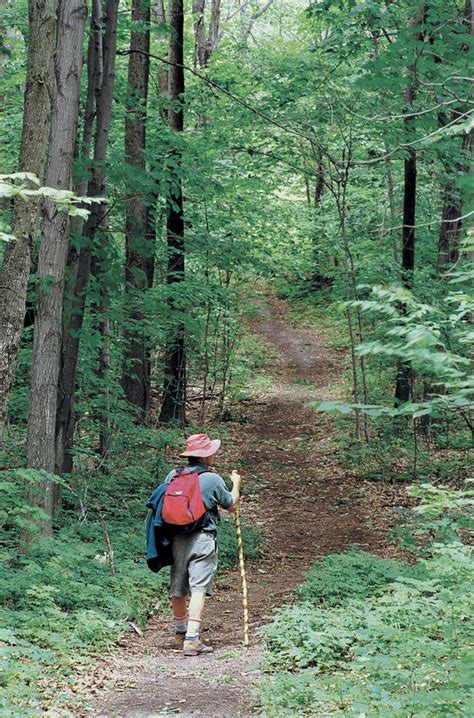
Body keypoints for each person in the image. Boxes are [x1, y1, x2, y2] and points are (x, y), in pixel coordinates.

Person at [165, 433, 241, 657]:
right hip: (203, 539)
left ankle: (180, 632)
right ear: (206, 456)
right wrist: (235, 484)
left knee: (178, 587)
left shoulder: (173, 474)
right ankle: (192, 639)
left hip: (176, 538)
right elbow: (231, 506)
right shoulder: (212, 479)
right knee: (198, 588)